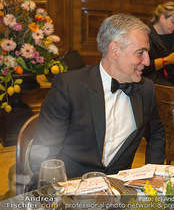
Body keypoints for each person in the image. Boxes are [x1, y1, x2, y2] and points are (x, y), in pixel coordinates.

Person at [27, 14, 166, 190]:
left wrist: (151, 175)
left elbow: (157, 134)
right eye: (140, 53)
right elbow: (45, 149)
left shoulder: (146, 89)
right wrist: (54, 193)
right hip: (70, 187)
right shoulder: (70, 86)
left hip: (119, 190)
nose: (147, 61)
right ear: (114, 50)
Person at [143, 1, 174, 86]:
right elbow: (143, 66)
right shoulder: (146, 36)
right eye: (173, 22)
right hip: (152, 82)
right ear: (162, 18)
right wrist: (167, 60)